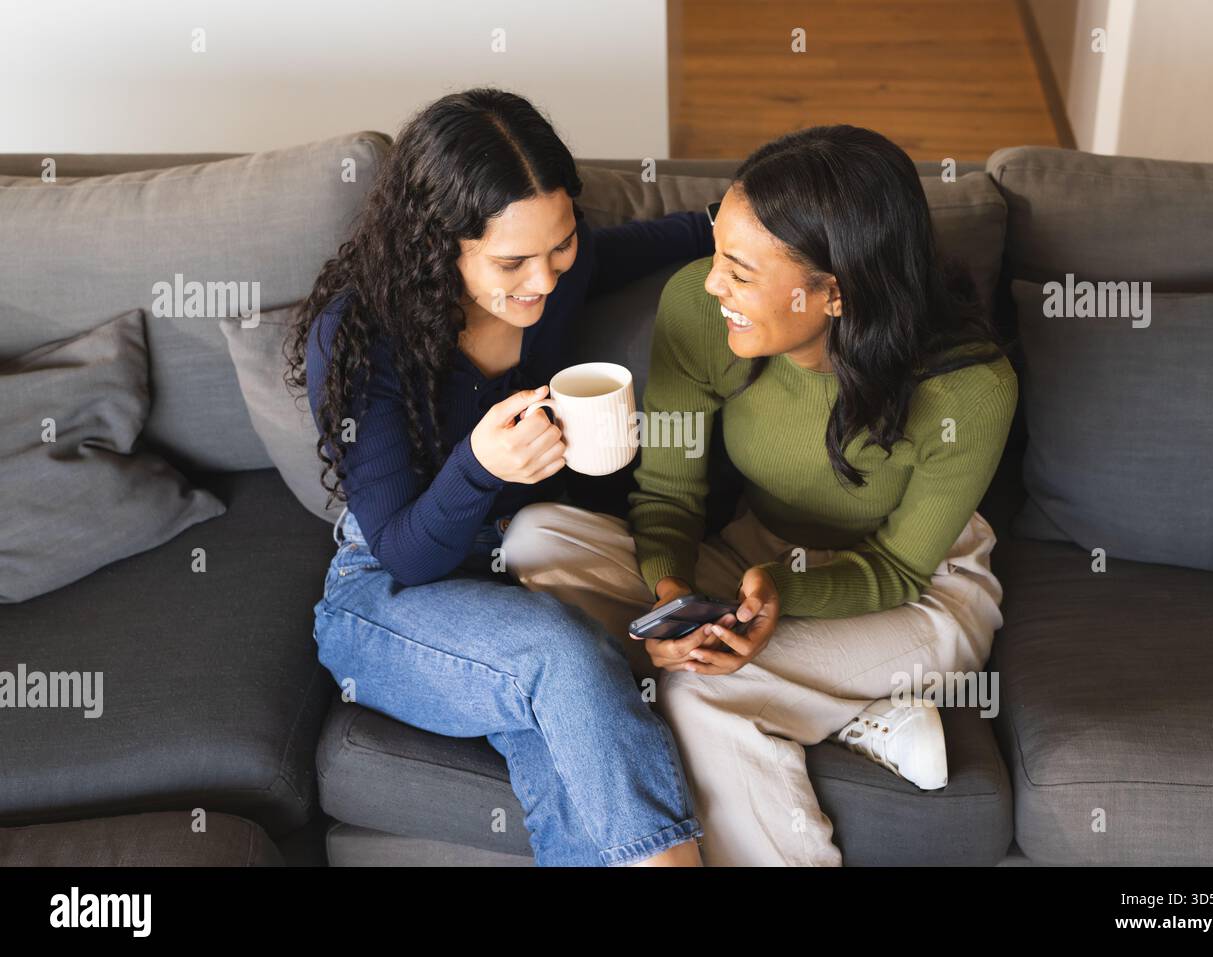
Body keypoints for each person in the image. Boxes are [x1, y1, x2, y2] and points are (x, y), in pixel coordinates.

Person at [501, 125, 1018, 866]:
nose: (713, 284)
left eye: (739, 271)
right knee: (536, 539)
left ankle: (840, 697)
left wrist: (781, 593)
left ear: (833, 291)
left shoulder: (968, 387)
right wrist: (672, 592)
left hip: (920, 592)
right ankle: (845, 709)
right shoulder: (699, 310)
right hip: (750, 559)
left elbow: (900, 569)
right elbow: (669, 493)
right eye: (717, 253)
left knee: (704, 693)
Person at [284, 88, 715, 866]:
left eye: (560, 247)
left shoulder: (557, 275)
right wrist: (479, 466)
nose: (544, 282)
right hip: (386, 595)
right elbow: (406, 555)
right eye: (511, 261)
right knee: (561, 653)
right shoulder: (359, 335)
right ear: (435, 244)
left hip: (524, 569)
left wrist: (757, 226)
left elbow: (688, 231)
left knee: (567, 748)